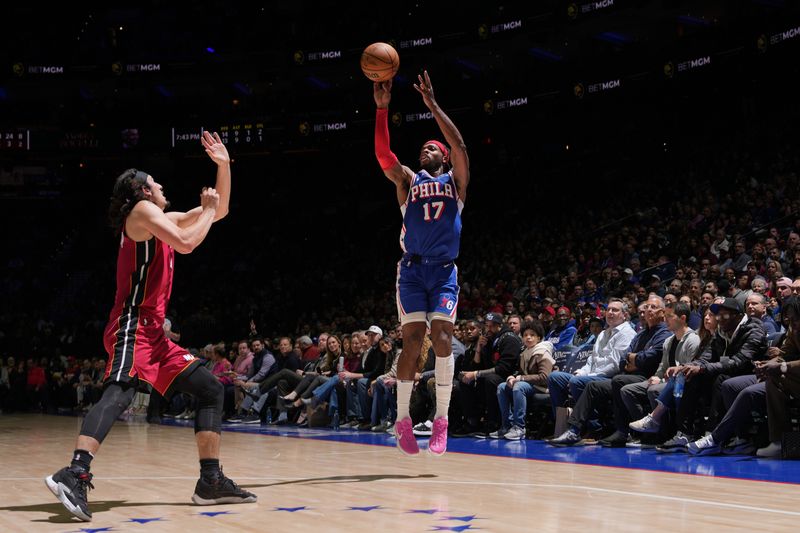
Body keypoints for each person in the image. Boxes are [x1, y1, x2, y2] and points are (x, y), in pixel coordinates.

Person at [45, 131, 255, 522]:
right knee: (121, 391)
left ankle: (210, 480)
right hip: (131, 326)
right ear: (142, 191)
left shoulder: (161, 219)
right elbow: (190, 241)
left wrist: (223, 165)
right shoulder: (140, 214)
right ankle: (75, 473)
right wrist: (207, 211)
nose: (163, 187)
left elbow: (219, 211)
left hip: (155, 335)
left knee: (210, 389)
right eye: (157, 183)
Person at [373, 70, 470, 456]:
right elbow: (384, 156)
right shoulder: (409, 182)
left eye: (430, 148)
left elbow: (459, 143)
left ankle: (442, 419)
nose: (423, 152)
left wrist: (431, 105)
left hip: (444, 269)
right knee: (413, 343)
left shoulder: (455, 182)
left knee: (443, 338)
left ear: (442, 156)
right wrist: (382, 110)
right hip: (412, 270)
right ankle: (402, 420)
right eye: (422, 150)